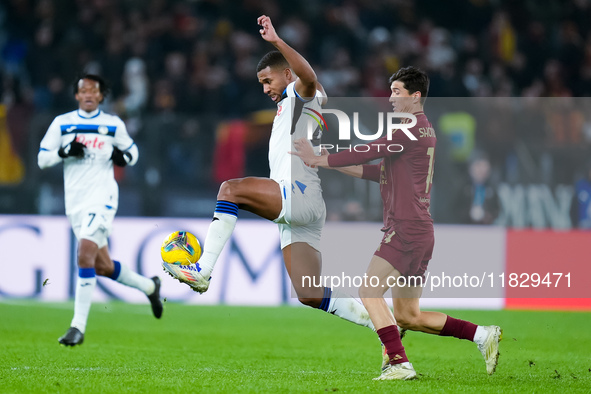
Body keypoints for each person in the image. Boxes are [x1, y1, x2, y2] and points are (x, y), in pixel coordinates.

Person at [162, 15, 374, 332]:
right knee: (309, 294)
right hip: (305, 205)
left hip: (297, 192)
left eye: (268, 81)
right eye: (261, 83)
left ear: (287, 74)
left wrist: (277, 41)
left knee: (229, 190)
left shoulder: (302, 94)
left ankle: (204, 270)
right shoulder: (295, 102)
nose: (265, 89)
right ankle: (382, 325)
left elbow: (310, 76)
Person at [291, 66, 502, 380]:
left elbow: (370, 151)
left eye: (397, 92)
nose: (390, 98)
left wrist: (319, 159)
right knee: (408, 315)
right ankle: (482, 335)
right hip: (419, 229)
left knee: (369, 291)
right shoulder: (422, 129)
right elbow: (379, 172)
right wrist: (325, 158)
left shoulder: (408, 129)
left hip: (405, 227)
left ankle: (398, 364)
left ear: (415, 96)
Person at [38, 74, 163, 347]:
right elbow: (42, 159)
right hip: (76, 203)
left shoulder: (112, 124)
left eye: (93, 91)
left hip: (103, 198)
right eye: (83, 91)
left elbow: (132, 153)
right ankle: (150, 287)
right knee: (102, 265)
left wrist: (123, 157)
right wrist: (64, 152)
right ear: (76, 95)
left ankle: (77, 327)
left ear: (101, 96)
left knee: (84, 255)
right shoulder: (63, 123)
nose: (88, 95)